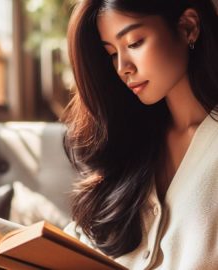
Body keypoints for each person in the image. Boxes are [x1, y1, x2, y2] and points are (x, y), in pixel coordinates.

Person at [62, 0, 218, 269]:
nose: (123, 67)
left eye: (134, 43)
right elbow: (80, 241)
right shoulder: (129, 146)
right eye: (111, 53)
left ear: (188, 27)